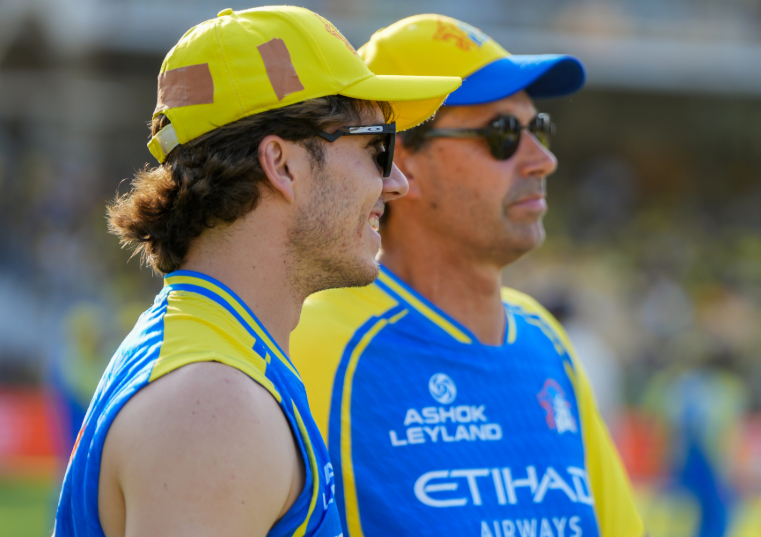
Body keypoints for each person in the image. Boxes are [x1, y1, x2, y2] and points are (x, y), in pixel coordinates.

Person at [53, 7, 460, 537]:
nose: (397, 183)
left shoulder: (215, 362)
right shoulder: (214, 407)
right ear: (282, 164)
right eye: (377, 148)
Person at [291, 14, 645, 537]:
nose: (543, 159)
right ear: (400, 159)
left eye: (538, 128)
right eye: (503, 134)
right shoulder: (309, 342)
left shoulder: (545, 339)